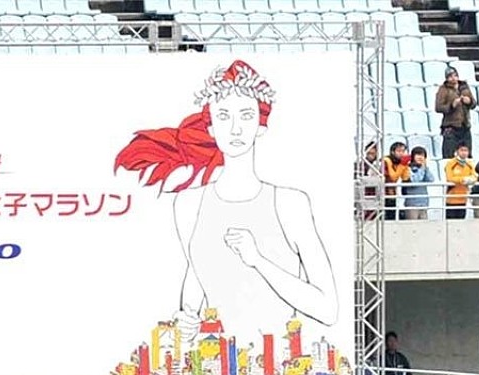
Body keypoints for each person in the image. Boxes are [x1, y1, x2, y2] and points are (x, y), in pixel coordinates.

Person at [114, 59, 339, 349]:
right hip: (212, 361)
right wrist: (186, 320)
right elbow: (195, 281)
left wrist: (258, 260)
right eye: (223, 116)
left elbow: (327, 309)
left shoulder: (289, 203)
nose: (235, 129)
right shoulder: (188, 204)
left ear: (260, 125)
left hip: (277, 365)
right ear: (210, 127)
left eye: (246, 116)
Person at [435, 66, 476, 160]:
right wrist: (452, 105)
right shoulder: (443, 89)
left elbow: (474, 104)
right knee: (449, 155)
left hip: (465, 125)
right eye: (450, 76)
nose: (453, 78)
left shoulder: (464, 87)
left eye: (455, 75)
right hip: (451, 126)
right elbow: (438, 107)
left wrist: (469, 102)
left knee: (467, 155)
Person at [444, 143, 477, 220]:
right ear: (457, 151)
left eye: (466, 150)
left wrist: (471, 180)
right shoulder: (451, 163)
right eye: (462, 150)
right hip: (452, 199)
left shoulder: (469, 164)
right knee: (451, 222)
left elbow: (475, 175)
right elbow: (449, 178)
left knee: (461, 222)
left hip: (463, 198)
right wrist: (463, 179)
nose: (464, 153)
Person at [403, 145, 434, 221]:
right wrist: (422, 168)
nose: (420, 157)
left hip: (423, 203)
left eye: (422, 155)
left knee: (423, 225)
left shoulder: (424, 168)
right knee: (412, 225)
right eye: (418, 155)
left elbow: (431, 179)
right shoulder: (408, 168)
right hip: (412, 204)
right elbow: (415, 181)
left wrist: (425, 168)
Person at [383, 142, 411, 222]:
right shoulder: (386, 161)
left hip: (392, 193)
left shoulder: (400, 162)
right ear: (392, 152)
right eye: (399, 151)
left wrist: (406, 166)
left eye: (403, 151)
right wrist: (402, 165)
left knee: (392, 215)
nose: (401, 153)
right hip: (382, 192)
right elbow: (392, 177)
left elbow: (405, 177)